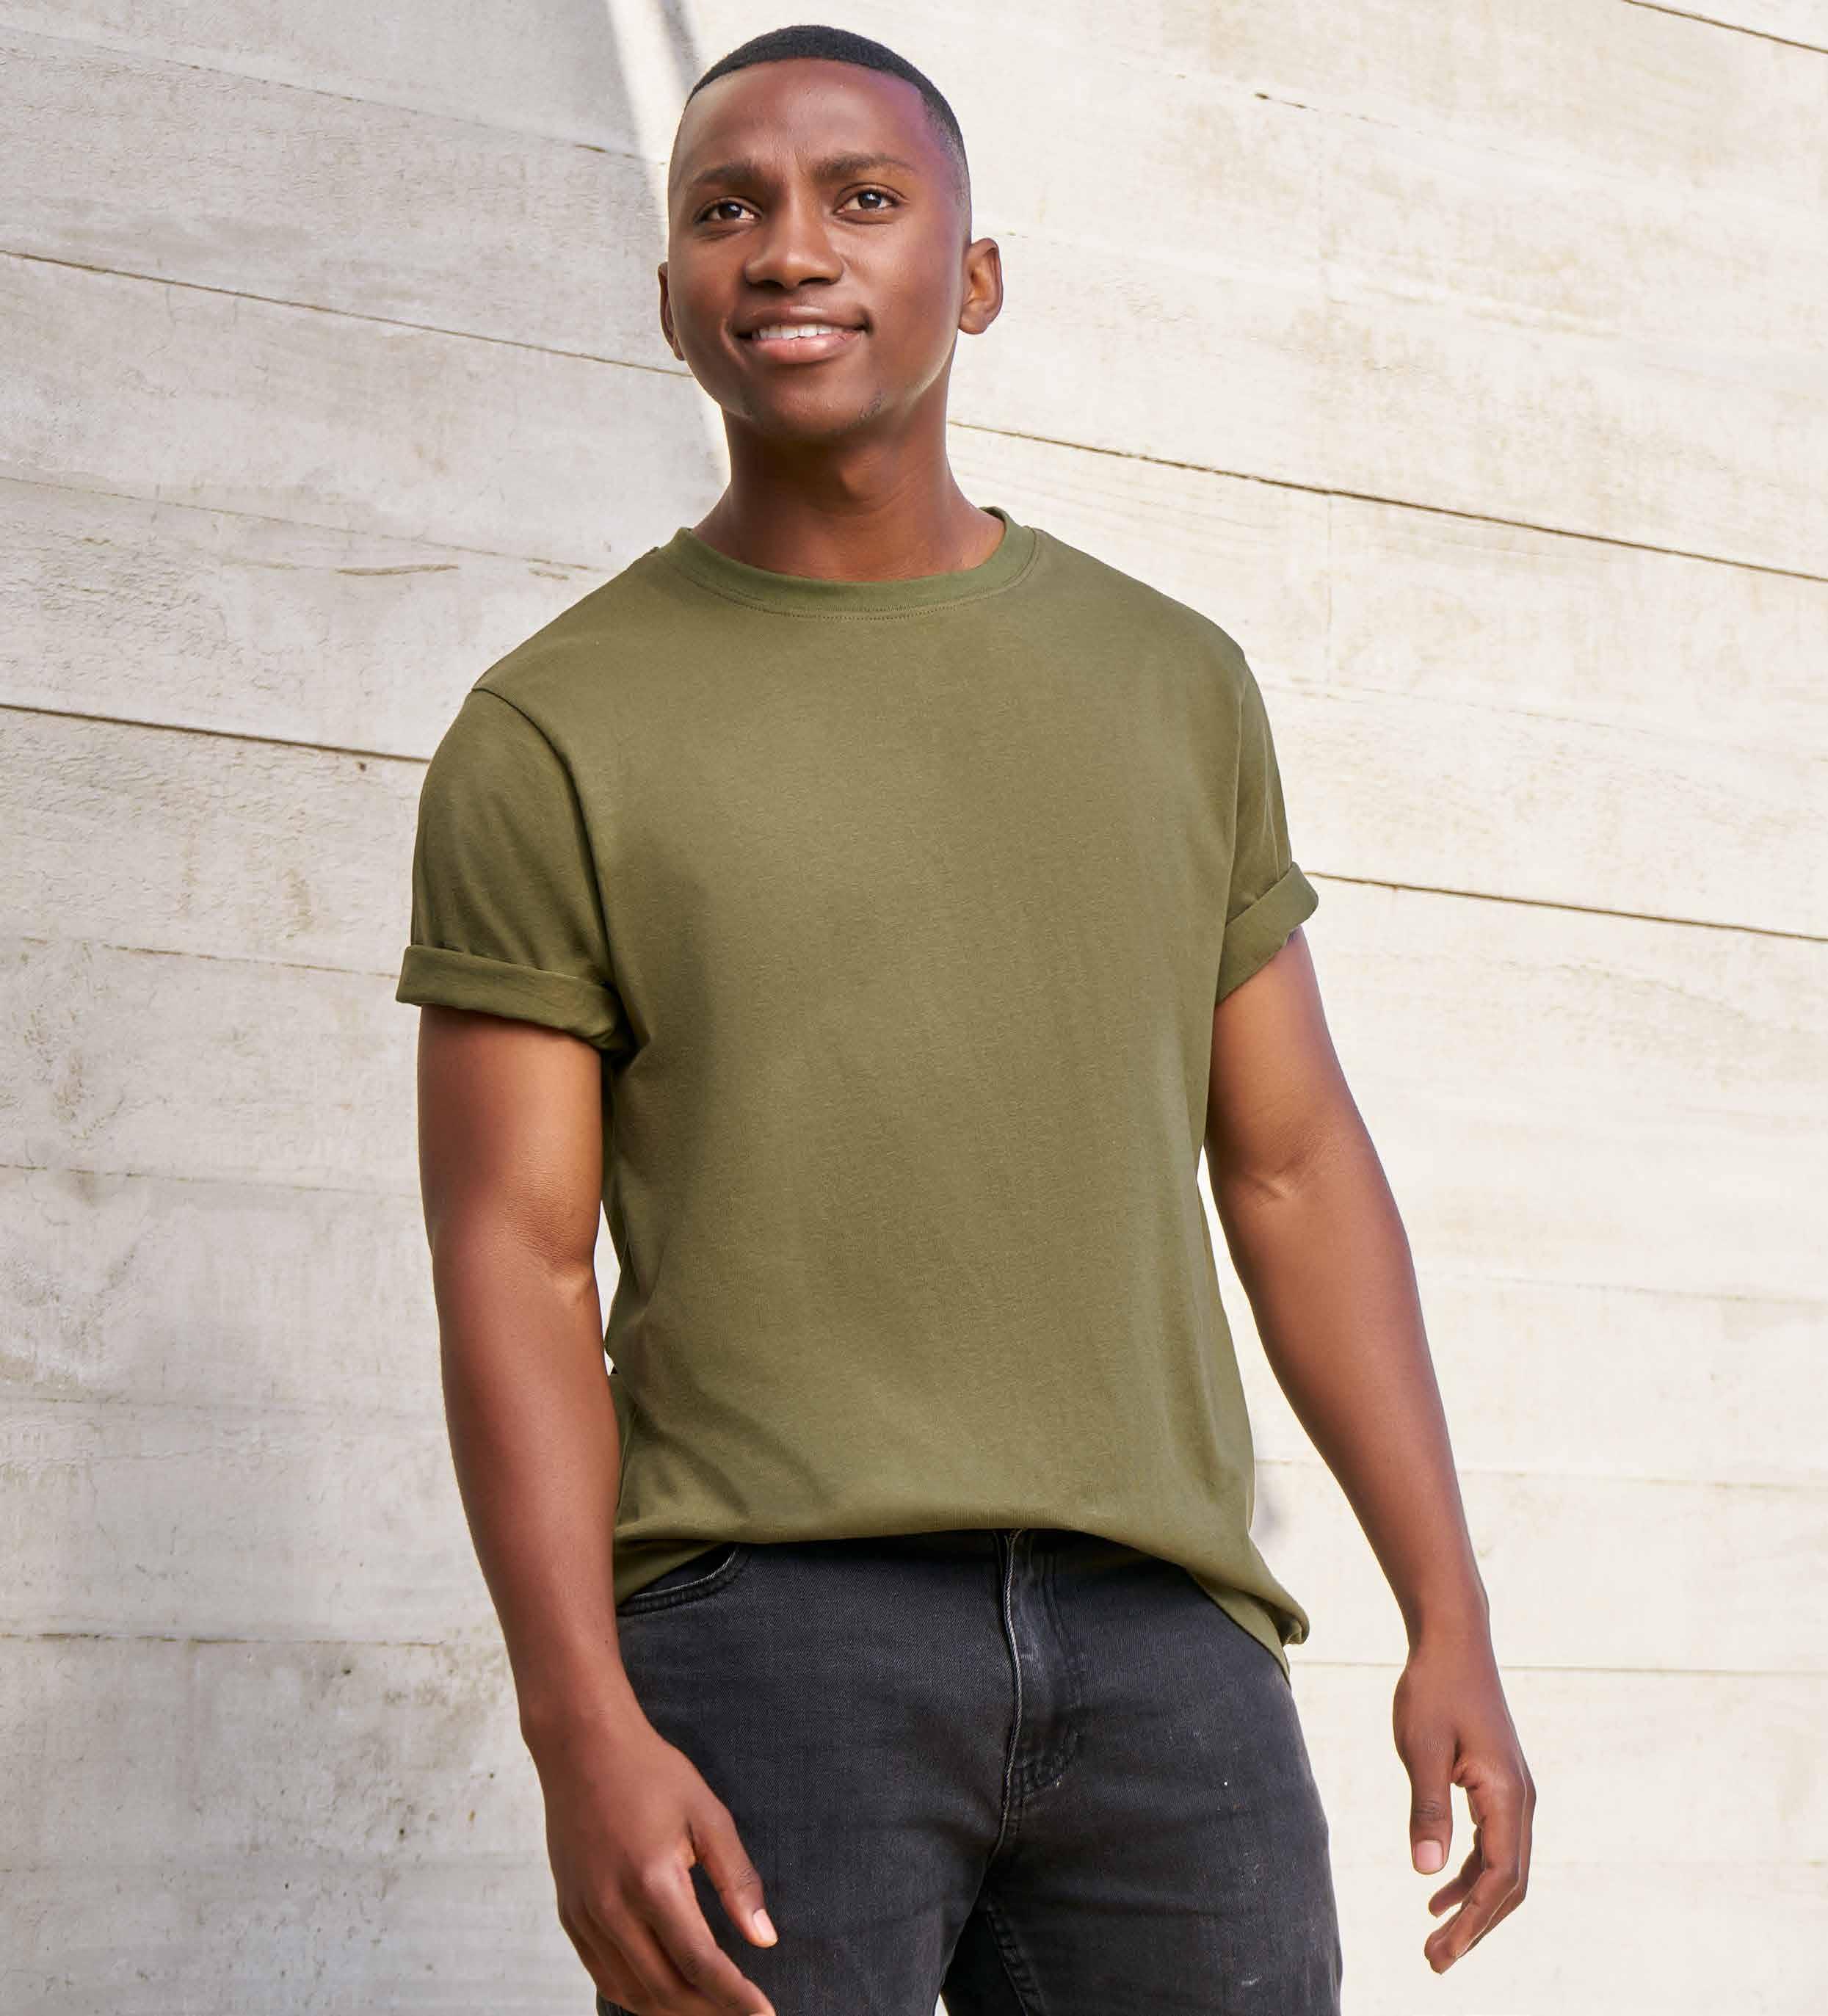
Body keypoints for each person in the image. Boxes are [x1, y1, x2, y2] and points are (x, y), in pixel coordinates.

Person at [395, 21, 1534, 2015]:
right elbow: (514, 1254)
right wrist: (579, 1723)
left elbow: (1288, 1164)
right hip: (769, 1644)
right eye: (725, 208)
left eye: (861, 197)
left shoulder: (1172, 684)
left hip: (1167, 1649)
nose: (786, 248)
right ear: (668, 295)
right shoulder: (550, 731)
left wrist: (1450, 1609)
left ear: (976, 278)